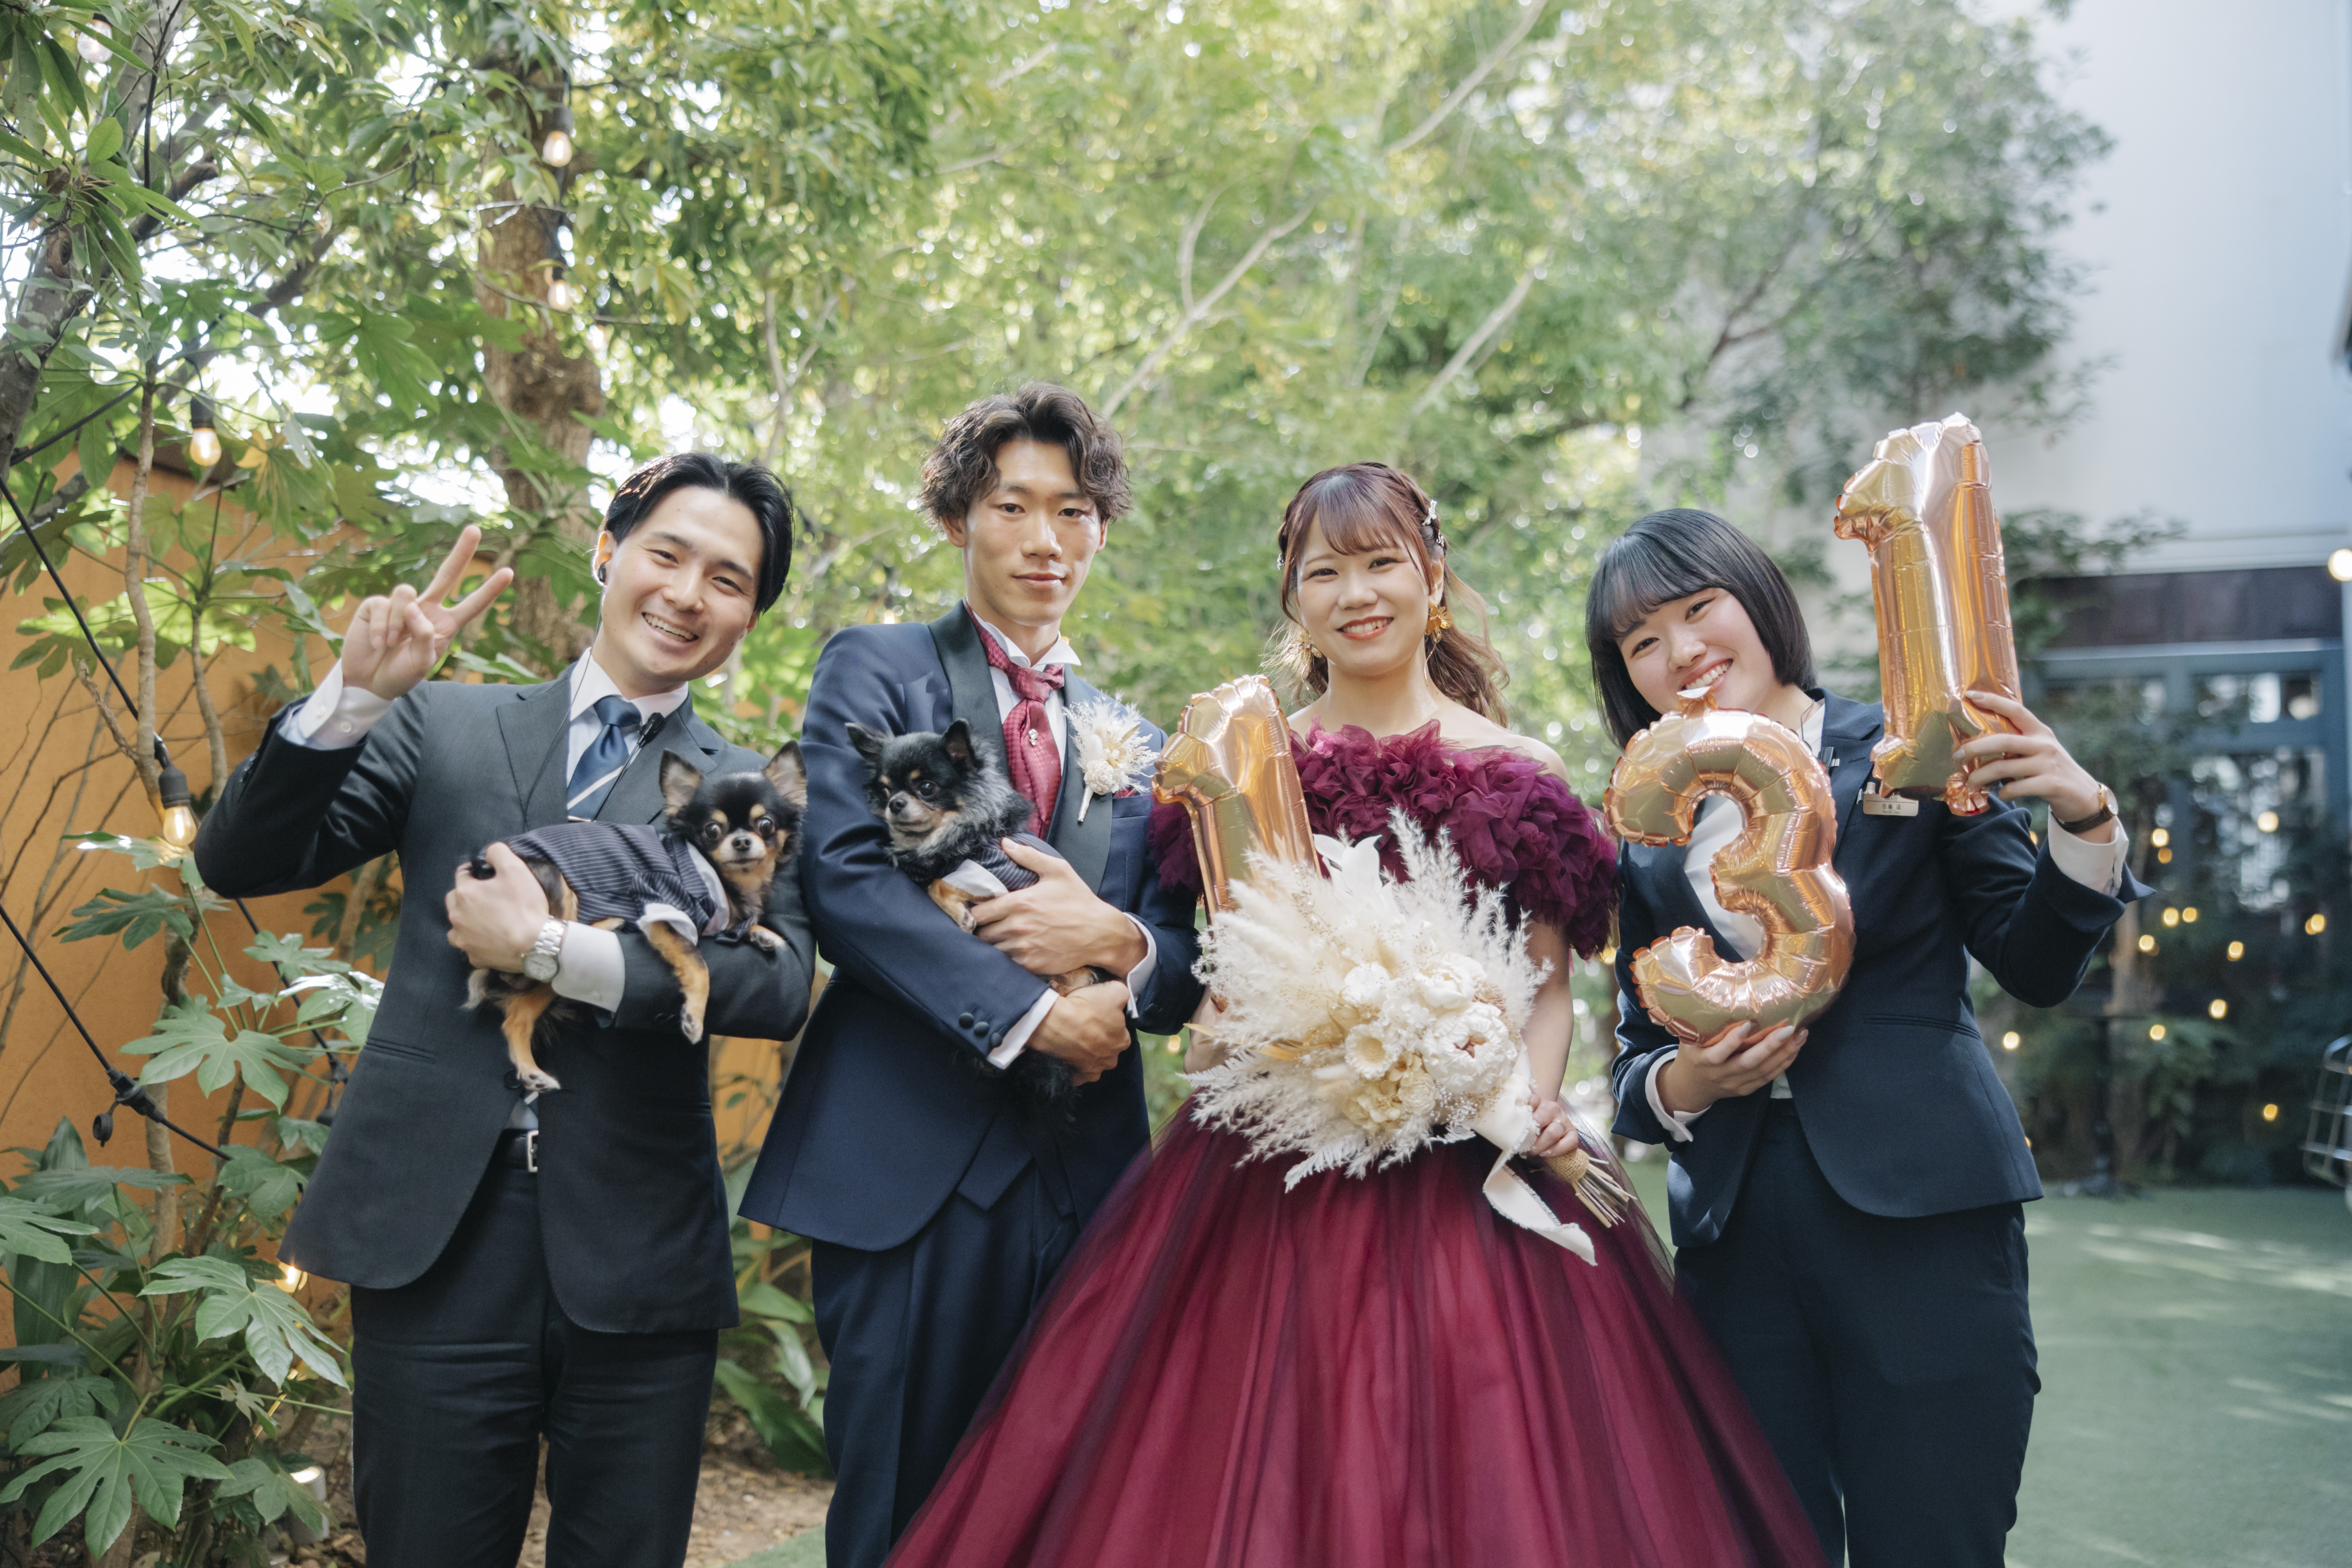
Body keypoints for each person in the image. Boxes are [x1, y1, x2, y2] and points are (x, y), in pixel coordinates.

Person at [875, 464, 1826, 1568]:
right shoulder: (1247, 766)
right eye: (1326, 573)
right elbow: (1228, 978)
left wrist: (1522, 1102)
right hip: (1275, 1170)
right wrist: (1241, 1034)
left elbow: (1545, 985)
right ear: (1296, 600)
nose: (1357, 593)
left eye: (1381, 563)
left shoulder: (1520, 769)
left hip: (1478, 1165)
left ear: (1432, 578)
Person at [194, 454, 816, 1568]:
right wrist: (353, 700)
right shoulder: (442, 721)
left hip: (639, 1252)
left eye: (728, 580)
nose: (687, 594)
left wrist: (552, 950)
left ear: (750, 616)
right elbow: (239, 861)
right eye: (667, 555)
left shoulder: (748, 791)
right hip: (436, 1233)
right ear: (608, 554)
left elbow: (775, 986)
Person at [1587, 508, 2147, 1567]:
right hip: (1735, 1240)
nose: (1682, 651)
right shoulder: (1647, 826)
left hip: (1925, 1213)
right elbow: (1632, 1061)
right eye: (1643, 641)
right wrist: (1689, 1083)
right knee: (1759, 1541)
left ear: (1759, 599)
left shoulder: (1911, 746)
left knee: (1936, 1535)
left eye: (1700, 609)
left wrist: (2085, 821)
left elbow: (2034, 965)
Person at [737, 383, 1207, 1568]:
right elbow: (848, 879)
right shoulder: (879, 665)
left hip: (1088, 1180)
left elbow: (1178, 951)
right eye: (1013, 506)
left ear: (1101, 530)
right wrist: (1034, 1015)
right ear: (959, 520)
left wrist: (1124, 950)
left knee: (1072, 1520)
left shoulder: (1142, 741)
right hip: (910, 1172)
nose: (1046, 539)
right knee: (900, 1514)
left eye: (1074, 511)